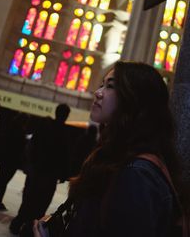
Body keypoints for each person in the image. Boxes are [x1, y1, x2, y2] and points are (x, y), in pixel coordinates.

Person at [33, 61, 189, 237]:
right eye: (101, 85)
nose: (98, 93)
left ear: (134, 98)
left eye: (110, 86)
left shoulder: (136, 175)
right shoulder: (120, 158)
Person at [9, 103, 71, 235]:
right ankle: (30, 229)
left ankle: (18, 224)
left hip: (36, 171)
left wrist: (30, 164)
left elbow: (33, 146)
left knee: (28, 200)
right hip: (49, 175)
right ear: (66, 116)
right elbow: (64, 156)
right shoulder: (64, 133)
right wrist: (63, 175)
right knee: (41, 204)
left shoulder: (44, 126)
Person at [0, 112, 30, 210]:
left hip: (5, 158)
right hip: (13, 160)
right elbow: (20, 147)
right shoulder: (20, 131)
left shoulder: (10, 127)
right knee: (4, 181)